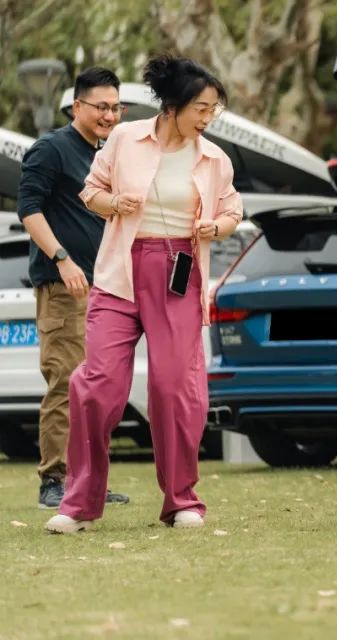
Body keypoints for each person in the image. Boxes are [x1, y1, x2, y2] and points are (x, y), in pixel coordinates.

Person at [45, 56, 243, 534]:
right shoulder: (124, 139)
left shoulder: (214, 159)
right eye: (201, 107)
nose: (207, 117)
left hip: (178, 272)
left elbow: (233, 209)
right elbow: (91, 191)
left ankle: (181, 500)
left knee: (174, 387)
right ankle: (78, 504)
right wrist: (114, 203)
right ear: (173, 106)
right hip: (119, 272)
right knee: (96, 387)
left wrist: (216, 225)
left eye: (213, 110)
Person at [16, 67, 130, 511]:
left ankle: (89, 481)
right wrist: (62, 259)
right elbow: (29, 209)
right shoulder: (52, 148)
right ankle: (55, 482)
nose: (109, 115)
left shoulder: (105, 155)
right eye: (100, 106)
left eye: (115, 107)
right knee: (66, 382)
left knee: (98, 388)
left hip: (105, 289)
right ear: (76, 106)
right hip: (66, 288)